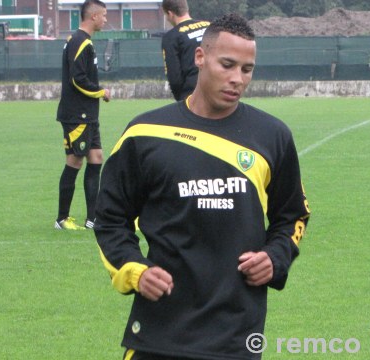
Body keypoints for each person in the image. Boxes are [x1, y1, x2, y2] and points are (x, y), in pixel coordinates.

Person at [95, 14, 310, 359]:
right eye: (227, 65)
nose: (237, 79)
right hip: (158, 335)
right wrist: (135, 269)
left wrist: (275, 257)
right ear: (200, 58)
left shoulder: (273, 136)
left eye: (247, 69)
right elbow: (109, 220)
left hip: (236, 338)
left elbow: (294, 215)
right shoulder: (145, 134)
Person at [55, 0, 111, 230]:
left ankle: (93, 219)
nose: (106, 20)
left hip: (88, 114)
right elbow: (77, 79)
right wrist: (101, 92)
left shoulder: (83, 41)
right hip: (77, 114)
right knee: (75, 160)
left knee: (96, 157)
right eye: (104, 15)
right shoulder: (79, 42)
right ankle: (61, 219)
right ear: (94, 16)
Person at [160, 0, 210, 101]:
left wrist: (181, 101)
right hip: (217, 89)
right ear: (186, 9)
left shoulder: (171, 37)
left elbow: (174, 77)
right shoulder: (210, 27)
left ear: (170, 14)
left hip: (192, 95)